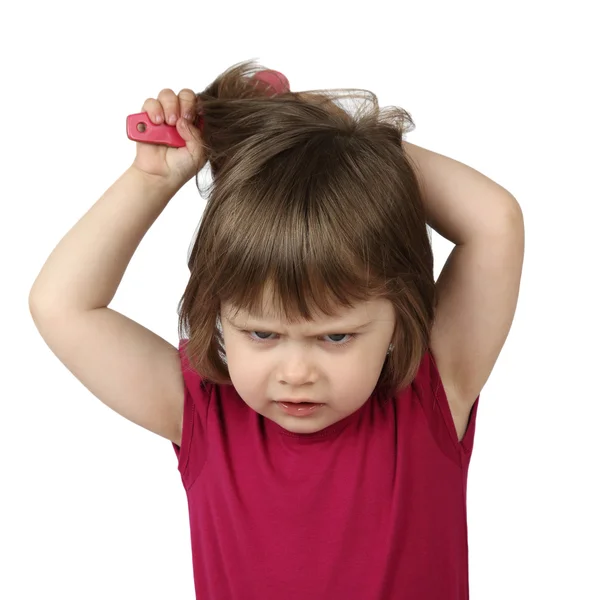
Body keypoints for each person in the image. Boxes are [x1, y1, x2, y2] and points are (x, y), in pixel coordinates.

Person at [28, 60, 525, 599]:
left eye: (335, 337)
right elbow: (62, 305)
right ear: (218, 315)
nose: (296, 372)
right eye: (262, 335)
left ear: (399, 318)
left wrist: (330, 141)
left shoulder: (431, 396)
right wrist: (150, 181)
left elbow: (494, 222)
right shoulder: (203, 414)